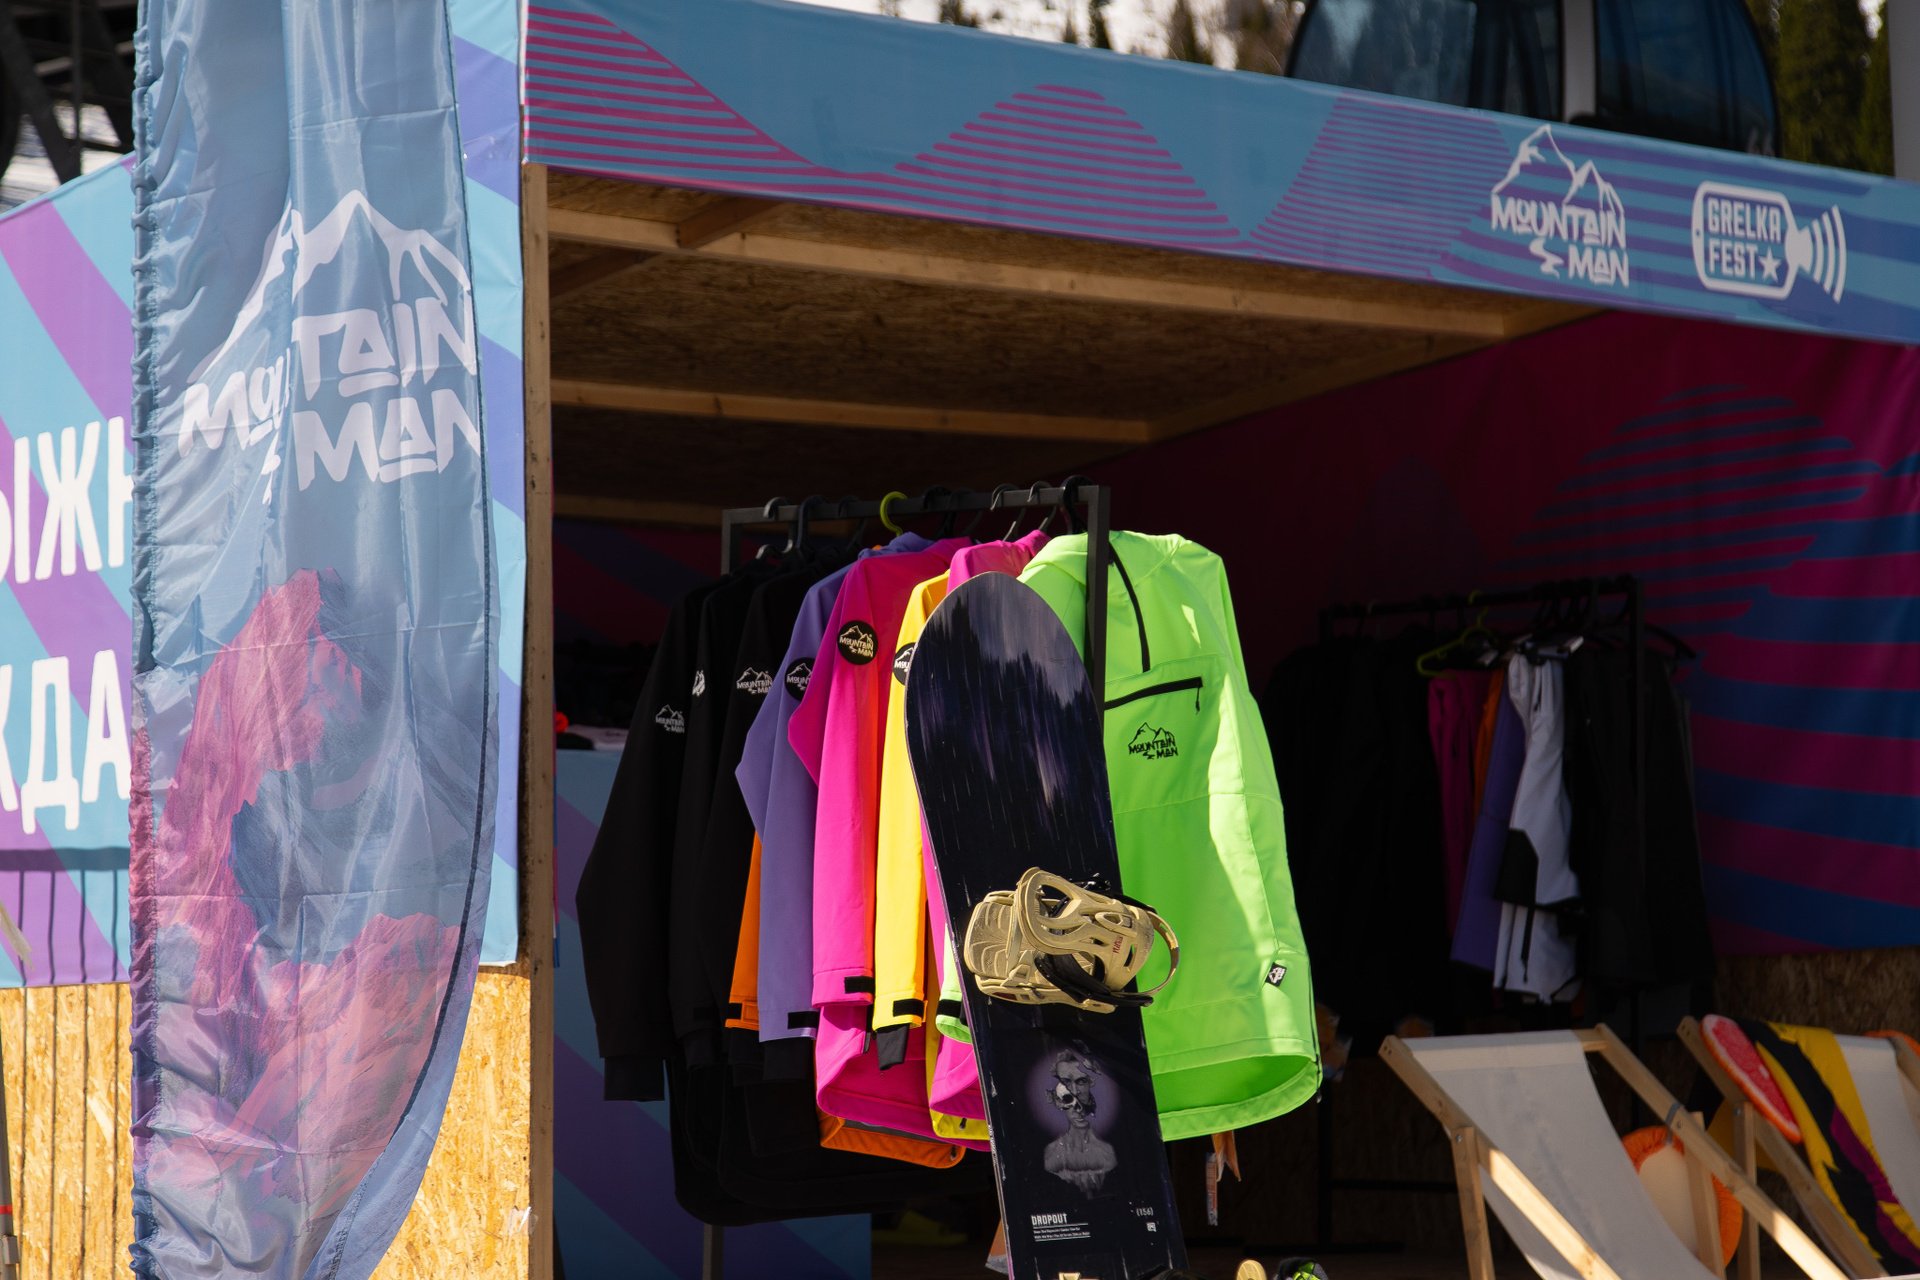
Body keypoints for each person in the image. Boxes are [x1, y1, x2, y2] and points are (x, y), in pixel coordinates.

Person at [1042, 1050, 1117, 1194]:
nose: (1075, 1091)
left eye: (1081, 1081)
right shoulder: (1052, 1153)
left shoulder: (1107, 1153)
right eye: (1066, 1082)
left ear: (1090, 1083)